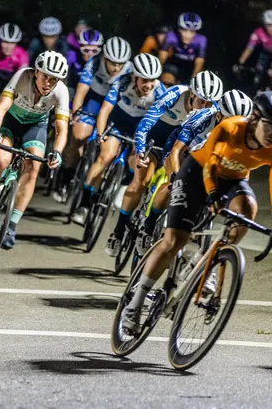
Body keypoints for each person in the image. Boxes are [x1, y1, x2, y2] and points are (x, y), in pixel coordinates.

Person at [120, 91, 272, 333]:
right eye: (271, 127)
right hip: (197, 172)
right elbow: (210, 164)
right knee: (174, 241)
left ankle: (208, 264)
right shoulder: (231, 128)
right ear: (255, 119)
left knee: (248, 209)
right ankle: (135, 303)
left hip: (232, 180)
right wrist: (211, 194)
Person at [0, 52, 69, 249]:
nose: (48, 83)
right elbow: (1, 107)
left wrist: (58, 152)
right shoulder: (22, 76)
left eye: (53, 79)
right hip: (11, 122)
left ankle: (11, 225)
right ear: (36, 72)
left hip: (35, 127)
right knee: (1, 160)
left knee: (34, 168)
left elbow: (62, 128)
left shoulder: (61, 92)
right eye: (45, 76)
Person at [135, 89, 254, 255]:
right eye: (231, 120)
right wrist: (177, 178)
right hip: (182, 150)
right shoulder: (202, 118)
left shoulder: (244, 132)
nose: (236, 126)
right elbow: (176, 151)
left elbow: (242, 165)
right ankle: (148, 226)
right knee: (174, 186)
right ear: (219, 115)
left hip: (208, 158)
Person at [73, 54, 166, 248]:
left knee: (137, 163)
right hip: (118, 121)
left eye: (152, 80)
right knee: (106, 156)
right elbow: (105, 110)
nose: (149, 85)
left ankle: (123, 184)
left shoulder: (160, 93)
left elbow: (157, 125)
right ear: (134, 77)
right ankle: (84, 203)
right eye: (144, 80)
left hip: (141, 128)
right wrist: (100, 133)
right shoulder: (122, 82)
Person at [58, 36, 132, 199]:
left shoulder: (129, 70)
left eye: (120, 63)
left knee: (108, 151)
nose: (116, 67)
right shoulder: (94, 63)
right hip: (95, 99)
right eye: (112, 62)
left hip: (114, 107)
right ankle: (66, 176)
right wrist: (76, 112)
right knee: (78, 136)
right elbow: (81, 90)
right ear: (105, 57)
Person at [235, 9, 272, 90]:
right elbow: (249, 48)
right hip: (266, 54)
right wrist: (240, 62)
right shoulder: (258, 32)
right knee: (258, 73)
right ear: (264, 24)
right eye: (269, 25)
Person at [160, 13, 207, 81]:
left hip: (190, 68)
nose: (188, 35)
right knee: (167, 79)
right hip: (173, 65)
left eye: (192, 31)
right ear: (179, 29)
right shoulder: (171, 36)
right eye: (184, 30)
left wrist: (193, 82)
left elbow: (199, 63)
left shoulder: (201, 40)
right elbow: (162, 57)